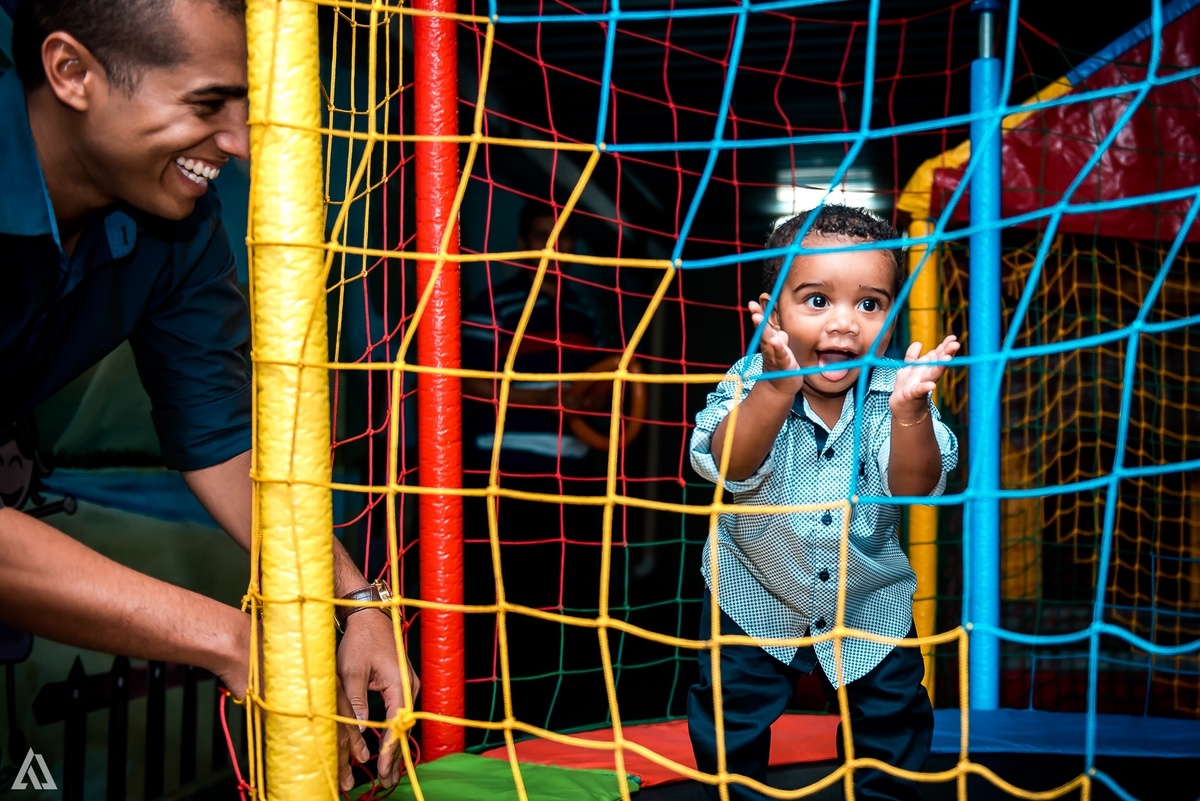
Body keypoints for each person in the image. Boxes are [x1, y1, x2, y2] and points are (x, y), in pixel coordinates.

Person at [0, 0, 416, 791]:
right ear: (71, 73)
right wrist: (237, 642)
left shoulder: (177, 226)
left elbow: (219, 433)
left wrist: (358, 601)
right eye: (207, 104)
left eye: (248, 102)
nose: (240, 141)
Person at [686, 205, 960, 801]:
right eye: (816, 301)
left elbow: (916, 486)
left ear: (892, 315)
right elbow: (728, 464)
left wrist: (911, 414)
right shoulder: (749, 377)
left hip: (868, 596)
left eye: (869, 303)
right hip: (752, 588)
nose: (843, 325)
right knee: (730, 719)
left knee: (893, 723)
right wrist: (774, 390)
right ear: (772, 312)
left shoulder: (893, 388)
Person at [460, 200, 621, 745]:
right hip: (505, 478)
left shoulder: (583, 310)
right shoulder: (496, 303)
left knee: (564, 605)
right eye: (540, 239)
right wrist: (551, 396)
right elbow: (468, 382)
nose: (554, 253)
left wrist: (591, 403)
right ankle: (493, 722)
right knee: (503, 606)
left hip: (571, 479)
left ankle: (552, 729)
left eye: (565, 242)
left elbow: (599, 388)